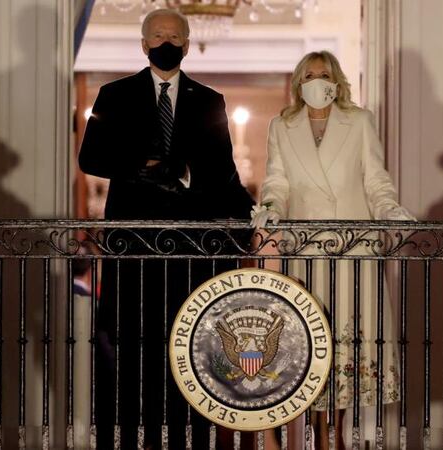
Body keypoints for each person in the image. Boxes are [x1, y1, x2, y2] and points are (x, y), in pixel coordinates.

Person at [78, 9, 253, 450]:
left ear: (188, 43)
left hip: (190, 248)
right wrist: (141, 168)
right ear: (143, 44)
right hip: (133, 244)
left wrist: (254, 216)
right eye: (158, 35)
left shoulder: (209, 100)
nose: (166, 41)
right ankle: (131, 435)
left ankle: (187, 436)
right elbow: (91, 158)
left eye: (175, 35)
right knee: (131, 341)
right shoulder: (113, 95)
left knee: (187, 341)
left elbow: (224, 172)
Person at [250, 50, 414, 449]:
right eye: (309, 74)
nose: (317, 81)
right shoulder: (282, 126)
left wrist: (390, 211)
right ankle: (317, 430)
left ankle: (336, 433)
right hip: (307, 253)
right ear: (298, 82)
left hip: (354, 249)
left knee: (347, 340)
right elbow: (278, 182)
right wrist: (270, 208)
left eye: (323, 74)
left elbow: (376, 180)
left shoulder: (358, 121)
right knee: (311, 340)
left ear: (337, 80)